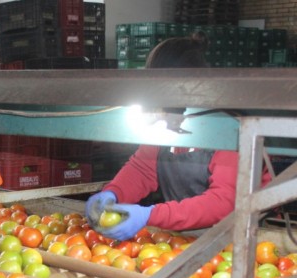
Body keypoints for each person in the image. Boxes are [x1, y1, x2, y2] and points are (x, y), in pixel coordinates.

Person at [85, 32, 270, 241]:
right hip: (185, 239)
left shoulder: (229, 127)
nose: (162, 111)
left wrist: (150, 214)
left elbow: (224, 201)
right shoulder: (167, 119)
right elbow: (143, 169)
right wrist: (113, 193)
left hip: (242, 241)